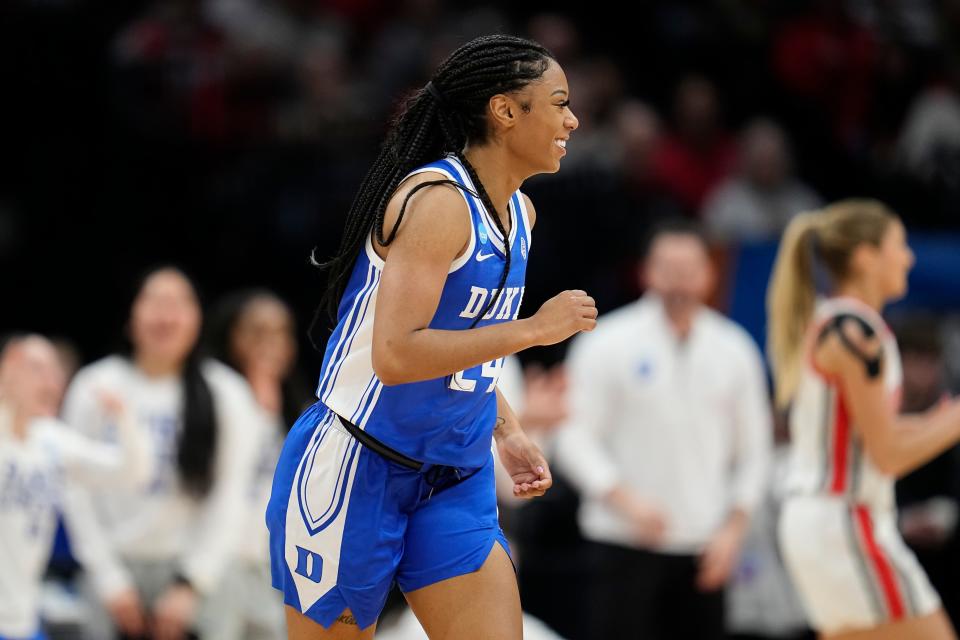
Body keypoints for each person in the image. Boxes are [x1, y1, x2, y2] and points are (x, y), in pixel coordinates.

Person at [266, 33, 594, 640]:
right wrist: (533, 331)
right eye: (557, 101)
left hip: (454, 471)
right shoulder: (438, 202)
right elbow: (396, 355)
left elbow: (466, 339)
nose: (572, 119)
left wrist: (507, 426)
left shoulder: (520, 212)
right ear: (505, 110)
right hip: (359, 462)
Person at [555, 219, 772, 639]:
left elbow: (754, 452)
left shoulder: (735, 350)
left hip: (704, 546)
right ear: (647, 272)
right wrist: (623, 499)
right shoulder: (606, 342)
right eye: (668, 271)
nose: (680, 284)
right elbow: (573, 435)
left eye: (689, 271)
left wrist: (734, 529)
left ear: (708, 274)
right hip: (622, 540)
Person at [768, 199, 960, 640]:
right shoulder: (857, 333)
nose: (909, 257)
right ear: (865, 258)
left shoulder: (840, 323)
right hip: (845, 520)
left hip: (822, 522)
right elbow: (888, 454)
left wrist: (940, 419)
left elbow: (870, 434)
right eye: (899, 245)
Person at [62, 267, 261, 640]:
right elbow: (74, 488)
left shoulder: (227, 394)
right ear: (131, 316)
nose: (165, 315)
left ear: (197, 319)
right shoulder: (95, 385)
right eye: (154, 301)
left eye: (179, 303)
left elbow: (233, 494)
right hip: (113, 567)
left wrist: (192, 582)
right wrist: (108, 579)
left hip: (200, 571)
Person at [0, 335, 151, 640]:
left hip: (24, 620)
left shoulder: (51, 441)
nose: (52, 380)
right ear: (7, 368)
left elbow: (132, 472)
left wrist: (124, 417)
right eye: (37, 368)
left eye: (56, 372)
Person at [205, 289, 312, 640]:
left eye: (280, 332)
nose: (270, 342)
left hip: (273, 568)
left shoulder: (302, 414)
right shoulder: (211, 397)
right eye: (257, 330)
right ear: (231, 335)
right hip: (218, 564)